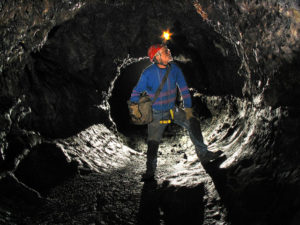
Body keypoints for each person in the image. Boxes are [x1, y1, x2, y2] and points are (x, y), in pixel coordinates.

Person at [129, 44, 221, 181]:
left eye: (167, 50)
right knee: (153, 143)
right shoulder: (148, 73)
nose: (169, 52)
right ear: (157, 56)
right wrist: (135, 108)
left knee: (193, 122)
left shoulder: (174, 69)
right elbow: (136, 91)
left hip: (172, 109)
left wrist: (188, 109)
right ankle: (150, 172)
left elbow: (184, 89)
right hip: (156, 113)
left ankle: (204, 154)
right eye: (165, 51)